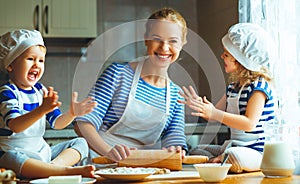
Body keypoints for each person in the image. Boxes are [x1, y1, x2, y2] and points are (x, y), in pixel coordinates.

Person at [74, 7, 188, 163]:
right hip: (100, 163)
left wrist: (176, 150)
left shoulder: (177, 95)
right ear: (146, 39)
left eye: (173, 41)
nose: (164, 48)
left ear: (182, 44)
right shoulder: (118, 75)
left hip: (144, 168)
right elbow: (83, 123)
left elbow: (174, 138)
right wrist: (108, 152)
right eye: (157, 39)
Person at [179, 23, 276, 173]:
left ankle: (221, 161)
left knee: (233, 156)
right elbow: (214, 117)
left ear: (240, 59)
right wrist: (202, 106)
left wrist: (214, 113)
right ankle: (219, 161)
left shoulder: (259, 87)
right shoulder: (233, 87)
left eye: (226, 54)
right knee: (197, 150)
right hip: (234, 145)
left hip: (257, 152)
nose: (222, 56)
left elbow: (250, 124)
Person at [0, 29, 97, 179]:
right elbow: (15, 125)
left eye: (41, 60)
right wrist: (42, 109)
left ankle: (52, 168)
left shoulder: (40, 90)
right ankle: (66, 171)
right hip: (16, 152)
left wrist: (72, 113)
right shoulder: (7, 92)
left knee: (81, 142)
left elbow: (57, 124)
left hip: (42, 153)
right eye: (30, 59)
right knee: (9, 158)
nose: (36, 65)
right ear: (10, 65)